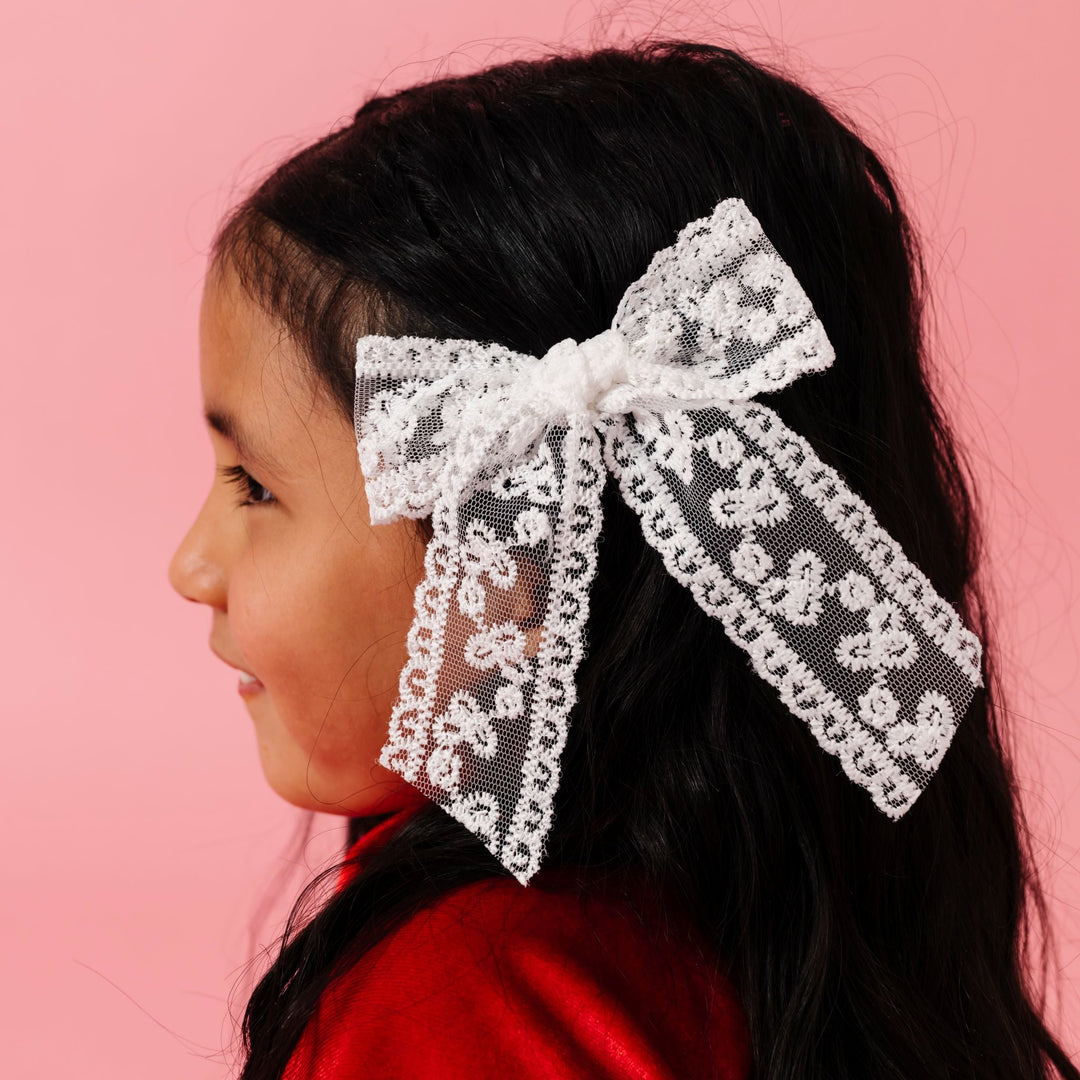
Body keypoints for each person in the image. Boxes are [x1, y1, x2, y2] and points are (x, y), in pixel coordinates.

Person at [168, 39, 1078, 1080]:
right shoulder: (778, 931)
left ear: (515, 543)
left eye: (256, 487)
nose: (192, 565)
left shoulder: (466, 1006)